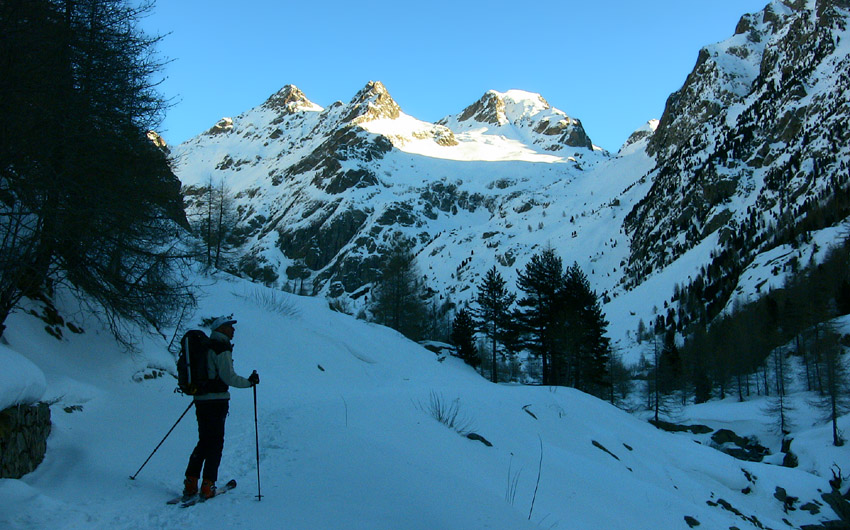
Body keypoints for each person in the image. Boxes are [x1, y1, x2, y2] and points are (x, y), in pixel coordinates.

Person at [183, 316, 260, 499]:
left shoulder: (206, 346)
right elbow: (228, 377)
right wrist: (249, 383)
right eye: (229, 327)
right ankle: (208, 485)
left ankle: (191, 483)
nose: (233, 330)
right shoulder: (221, 348)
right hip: (216, 401)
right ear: (221, 329)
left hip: (201, 399)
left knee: (204, 441)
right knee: (215, 443)